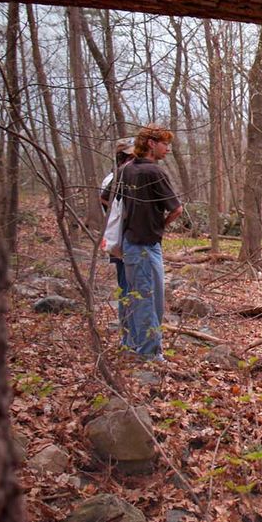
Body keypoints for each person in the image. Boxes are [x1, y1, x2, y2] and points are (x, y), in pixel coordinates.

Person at [118, 124, 184, 361]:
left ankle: (132, 345)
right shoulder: (152, 172)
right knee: (148, 299)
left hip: (130, 242)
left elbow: (107, 199)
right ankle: (148, 353)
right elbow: (176, 209)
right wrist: (159, 225)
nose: (168, 149)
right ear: (151, 143)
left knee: (135, 295)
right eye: (165, 144)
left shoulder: (126, 170)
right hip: (144, 244)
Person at [100, 138, 136, 331]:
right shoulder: (114, 179)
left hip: (122, 239)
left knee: (128, 284)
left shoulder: (121, 176)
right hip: (120, 239)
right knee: (126, 284)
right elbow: (106, 201)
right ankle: (127, 329)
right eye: (132, 155)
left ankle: (128, 328)